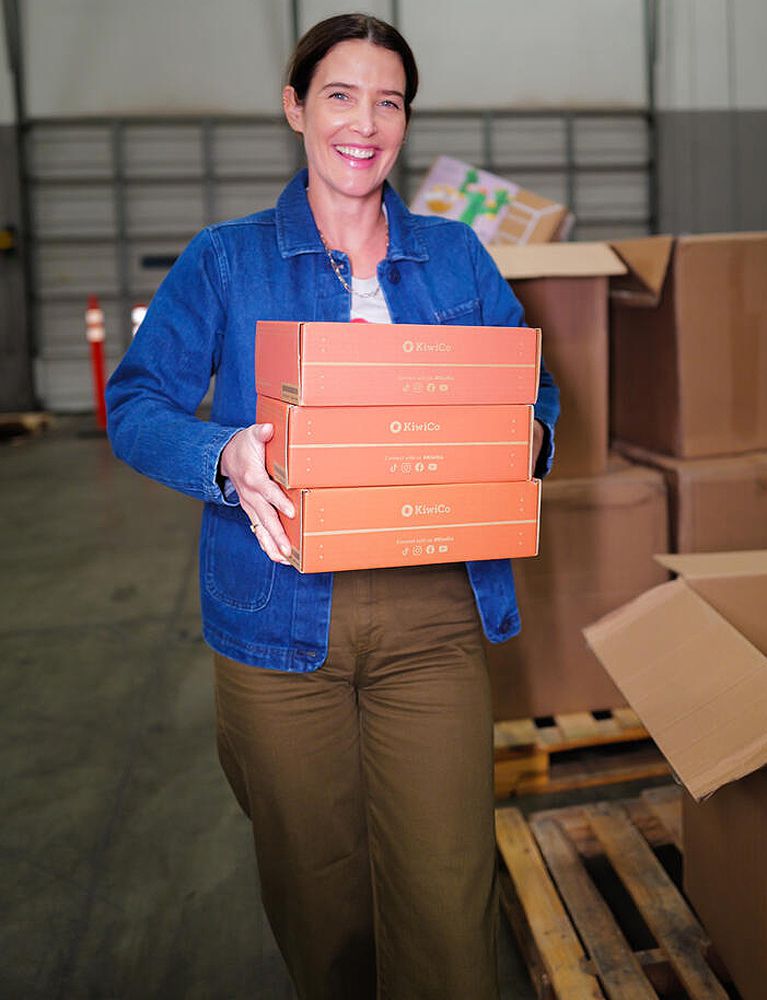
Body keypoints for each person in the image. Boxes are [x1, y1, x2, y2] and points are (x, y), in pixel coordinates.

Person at [107, 12, 559, 1000]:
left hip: (432, 614)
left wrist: (522, 434)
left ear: (404, 121)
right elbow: (134, 401)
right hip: (276, 625)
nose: (364, 122)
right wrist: (219, 453)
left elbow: (532, 389)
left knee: (447, 902)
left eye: (387, 101)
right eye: (339, 95)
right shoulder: (227, 260)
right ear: (295, 108)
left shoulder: (456, 258)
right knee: (324, 910)